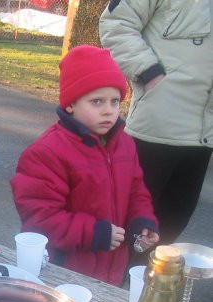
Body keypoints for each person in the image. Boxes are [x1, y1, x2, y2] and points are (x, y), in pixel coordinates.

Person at [10, 45, 159, 286]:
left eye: (114, 101)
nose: (108, 111)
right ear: (71, 104)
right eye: (97, 101)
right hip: (64, 272)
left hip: (112, 272)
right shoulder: (47, 153)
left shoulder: (125, 145)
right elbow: (39, 219)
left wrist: (141, 222)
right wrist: (94, 233)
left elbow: (136, 192)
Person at [100, 1, 213, 247]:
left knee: (168, 231)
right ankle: (112, 283)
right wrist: (148, 72)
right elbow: (116, 23)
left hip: (204, 136)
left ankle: (147, 282)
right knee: (127, 227)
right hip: (154, 129)